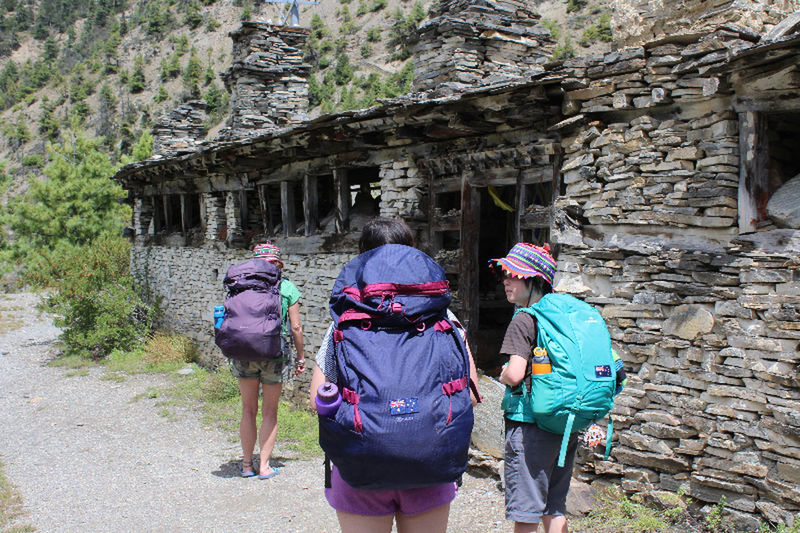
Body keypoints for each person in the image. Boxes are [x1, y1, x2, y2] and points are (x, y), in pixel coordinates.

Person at [309, 217, 480, 533]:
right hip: (431, 462)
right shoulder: (444, 319)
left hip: (359, 466)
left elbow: (316, 398)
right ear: (413, 253)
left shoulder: (344, 323)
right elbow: (470, 392)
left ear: (362, 259)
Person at [490, 242, 572, 533]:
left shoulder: (524, 319)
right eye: (504, 274)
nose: (506, 281)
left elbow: (514, 375)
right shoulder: (563, 315)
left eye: (513, 274)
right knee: (555, 505)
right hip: (565, 423)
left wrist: (501, 375)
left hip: (531, 425)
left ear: (534, 280)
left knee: (527, 509)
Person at [232, 242, 306, 479]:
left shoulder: (240, 286)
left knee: (247, 409)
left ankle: (246, 465)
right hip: (275, 354)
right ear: (278, 264)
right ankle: (264, 466)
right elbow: (295, 327)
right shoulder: (286, 287)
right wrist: (301, 357)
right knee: (270, 412)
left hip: (244, 353)